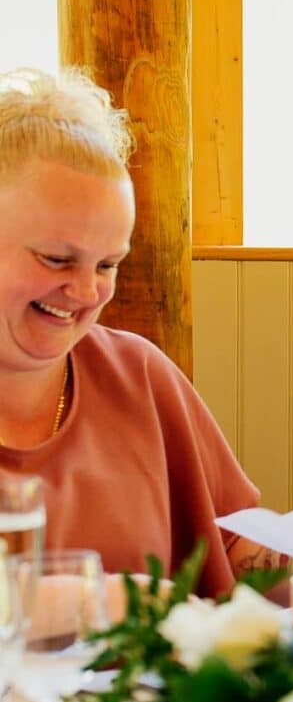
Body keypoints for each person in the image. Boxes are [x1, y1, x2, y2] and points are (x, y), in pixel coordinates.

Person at [0, 68, 278, 596]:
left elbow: (245, 558)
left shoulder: (139, 375)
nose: (85, 293)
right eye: (57, 259)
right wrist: (100, 604)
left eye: (107, 265)